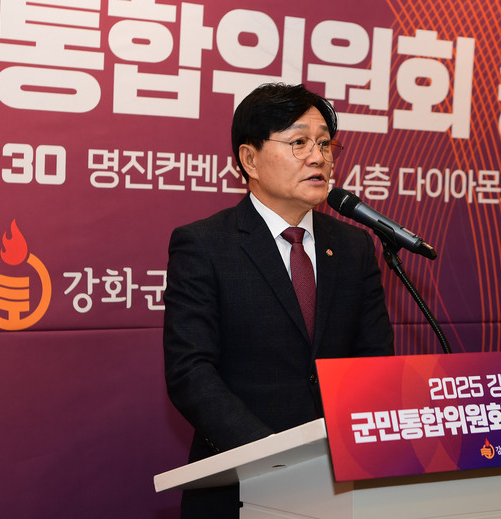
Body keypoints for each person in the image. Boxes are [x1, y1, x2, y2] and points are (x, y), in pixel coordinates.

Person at [163, 83, 395, 517]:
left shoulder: (354, 246)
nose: (318, 157)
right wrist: (273, 458)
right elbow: (191, 373)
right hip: (242, 487)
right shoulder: (205, 245)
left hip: (343, 484)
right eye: (299, 142)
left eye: (324, 144)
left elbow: (373, 361)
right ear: (249, 159)